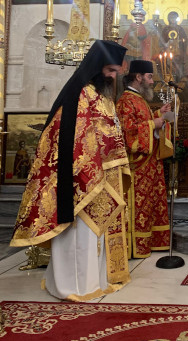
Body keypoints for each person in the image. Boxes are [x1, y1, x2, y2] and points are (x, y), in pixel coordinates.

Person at [10, 40, 131, 301]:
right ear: (98, 66)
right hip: (83, 178)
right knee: (79, 235)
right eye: (110, 70)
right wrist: (90, 172)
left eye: (116, 72)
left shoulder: (101, 95)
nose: (113, 77)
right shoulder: (81, 94)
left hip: (104, 176)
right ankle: (75, 287)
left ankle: (94, 281)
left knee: (96, 234)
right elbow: (72, 137)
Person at [116, 59, 171, 258]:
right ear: (138, 77)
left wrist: (158, 114)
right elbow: (127, 133)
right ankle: (135, 246)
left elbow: (141, 121)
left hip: (148, 165)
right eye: (149, 77)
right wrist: (154, 123)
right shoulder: (126, 101)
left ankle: (150, 242)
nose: (152, 81)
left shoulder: (138, 98)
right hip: (137, 167)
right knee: (139, 207)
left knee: (149, 206)